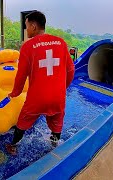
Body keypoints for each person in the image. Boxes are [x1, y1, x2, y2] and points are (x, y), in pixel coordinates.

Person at [5, 11, 75, 155]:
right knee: (57, 122)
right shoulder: (61, 43)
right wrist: (63, 88)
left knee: (23, 121)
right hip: (58, 97)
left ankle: (13, 146)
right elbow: (71, 69)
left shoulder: (28, 46)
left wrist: (15, 93)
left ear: (34, 26)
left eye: (27, 26)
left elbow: (21, 76)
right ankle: (54, 147)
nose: (26, 30)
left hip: (37, 98)